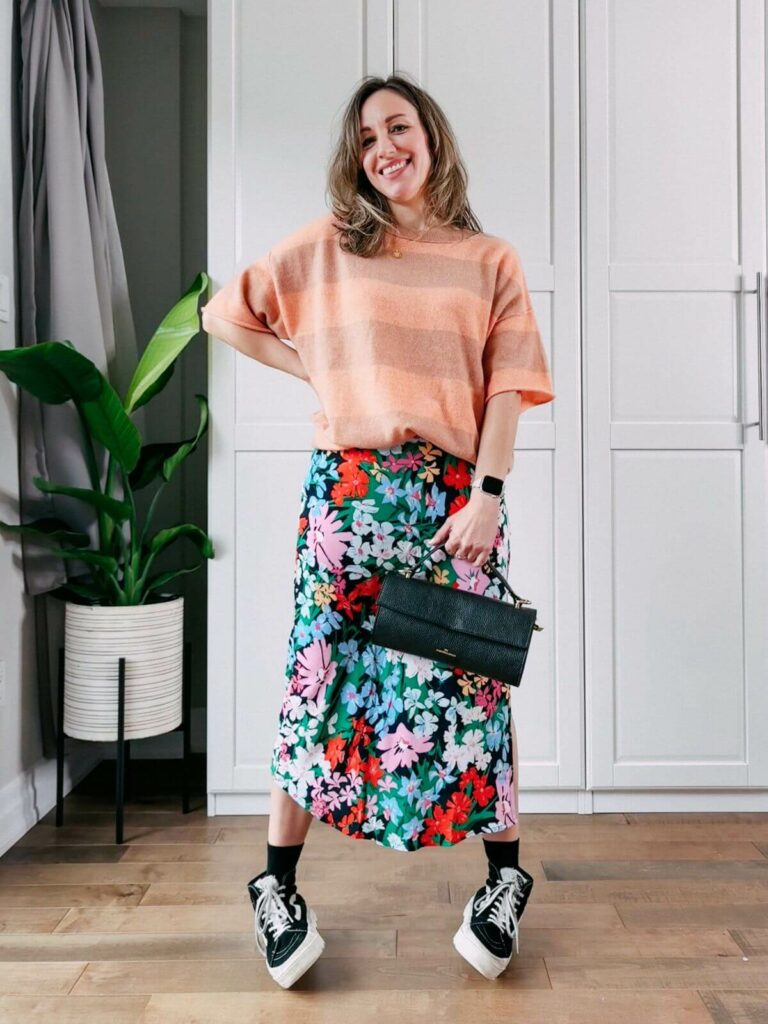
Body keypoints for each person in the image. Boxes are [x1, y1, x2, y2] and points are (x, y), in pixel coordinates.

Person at [201, 72, 555, 989]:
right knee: (318, 678)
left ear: (431, 136)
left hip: (453, 507)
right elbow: (223, 313)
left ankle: (505, 880)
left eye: (397, 128)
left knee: (474, 684)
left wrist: (488, 492)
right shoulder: (328, 248)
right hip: (347, 499)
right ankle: (274, 886)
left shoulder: (491, 261)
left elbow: (509, 387)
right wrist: (321, 373)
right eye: (365, 138)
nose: (382, 148)